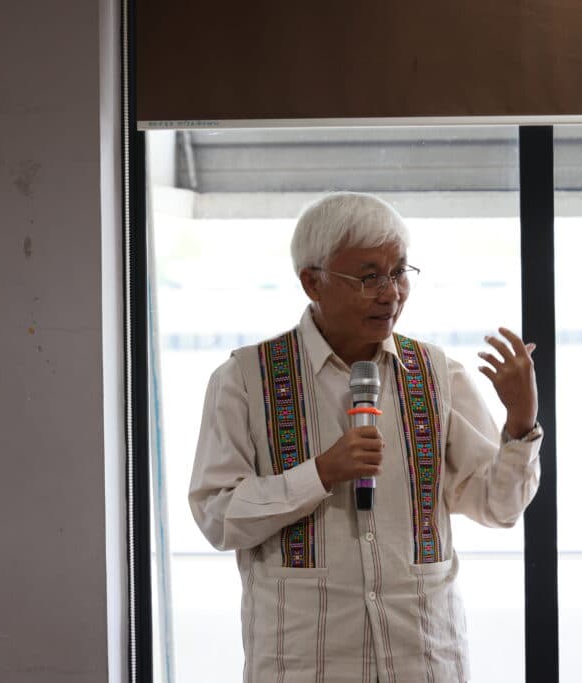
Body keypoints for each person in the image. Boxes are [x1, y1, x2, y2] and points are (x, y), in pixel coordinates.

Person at [189, 191, 543, 682]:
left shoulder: (437, 373)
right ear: (312, 282)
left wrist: (521, 422)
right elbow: (217, 517)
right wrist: (320, 473)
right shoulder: (246, 379)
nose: (390, 293)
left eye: (399, 272)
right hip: (303, 666)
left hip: (424, 658)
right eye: (368, 276)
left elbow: (498, 507)